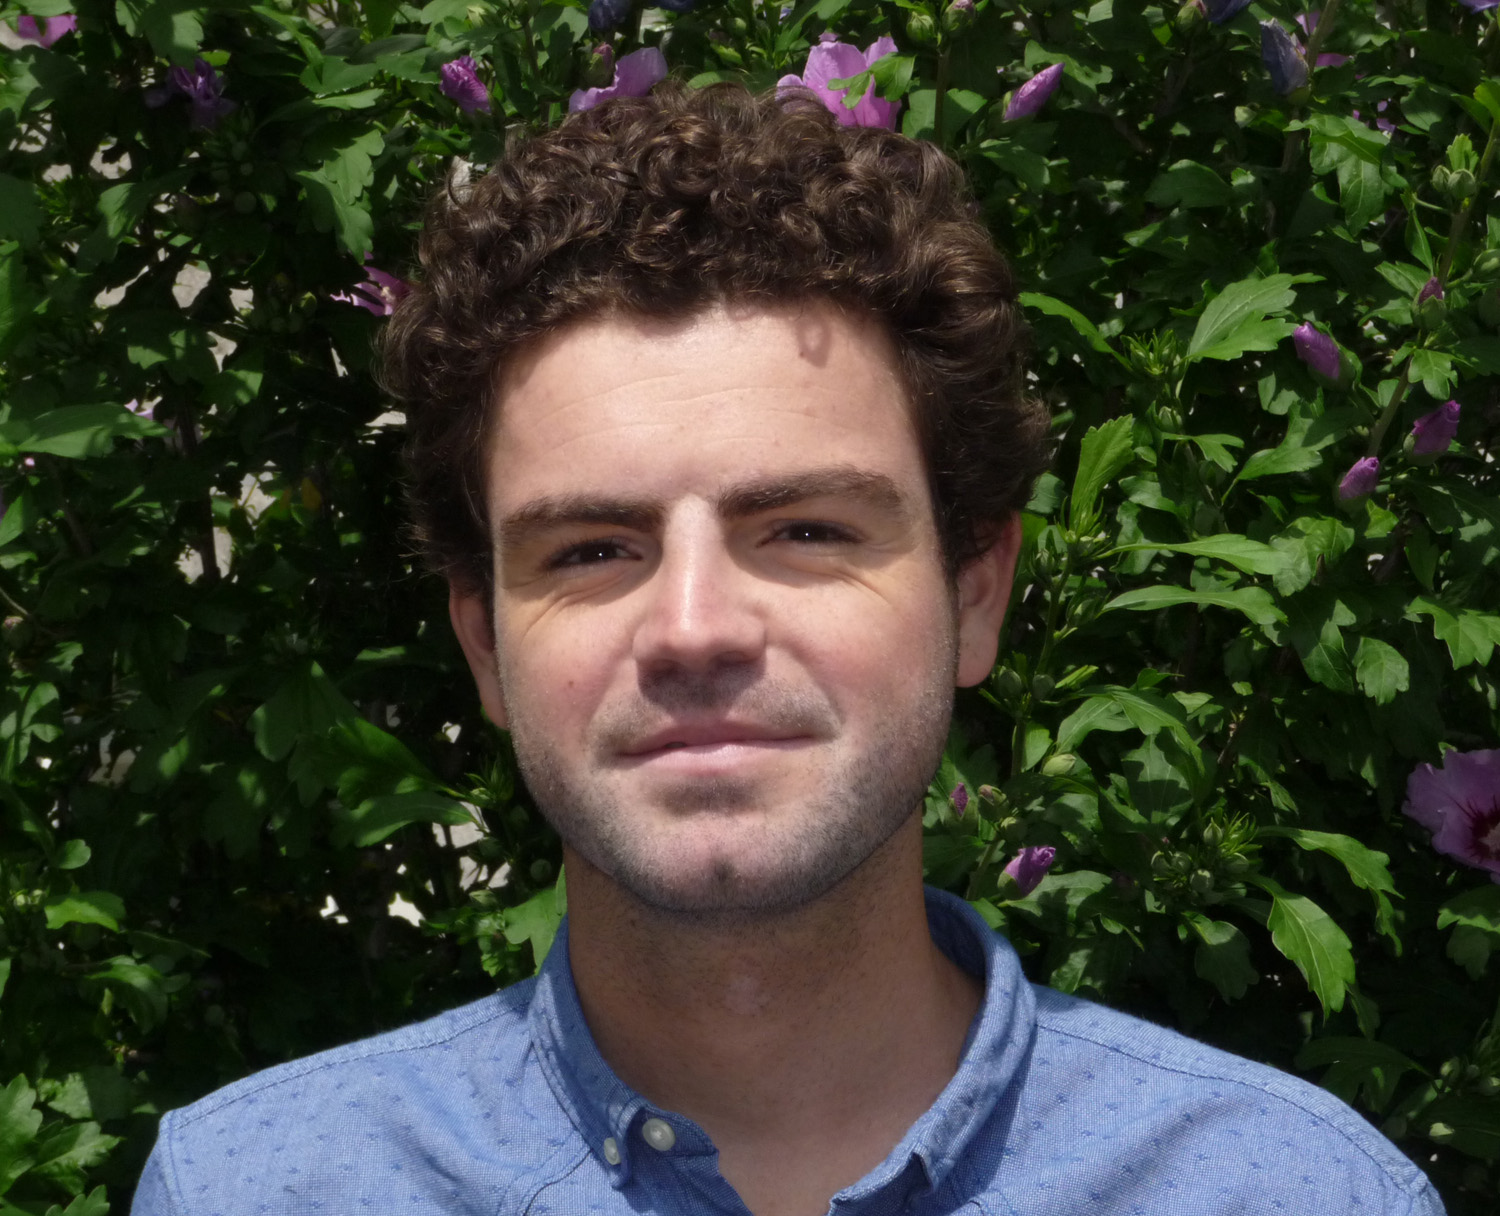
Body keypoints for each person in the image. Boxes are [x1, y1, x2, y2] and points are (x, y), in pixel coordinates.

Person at [131, 83, 1444, 1216]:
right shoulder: (251, 1189)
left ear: (976, 595)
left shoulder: (1300, 1194)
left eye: (807, 530)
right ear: (484, 644)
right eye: (590, 550)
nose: (695, 628)